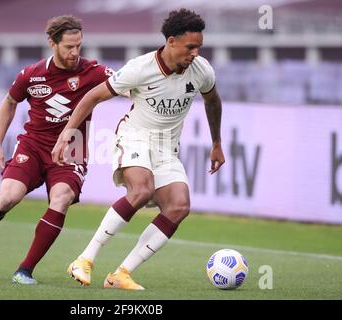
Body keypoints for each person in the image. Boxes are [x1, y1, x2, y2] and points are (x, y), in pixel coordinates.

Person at [52, 8, 225, 290]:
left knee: (179, 206)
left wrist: (217, 143)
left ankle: (121, 273)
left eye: (199, 47)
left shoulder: (201, 70)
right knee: (142, 190)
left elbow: (213, 101)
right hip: (134, 137)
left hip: (166, 148)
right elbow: (92, 97)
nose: (195, 53)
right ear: (171, 41)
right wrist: (67, 134)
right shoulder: (140, 69)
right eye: (190, 47)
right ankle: (85, 259)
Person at [0, 15, 118, 285]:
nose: (75, 53)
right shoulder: (31, 74)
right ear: (52, 43)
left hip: (70, 150)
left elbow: (126, 84)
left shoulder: (93, 72)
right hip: (33, 145)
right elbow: (9, 102)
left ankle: (24, 270)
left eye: (79, 46)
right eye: (68, 47)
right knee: (8, 198)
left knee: (61, 198)